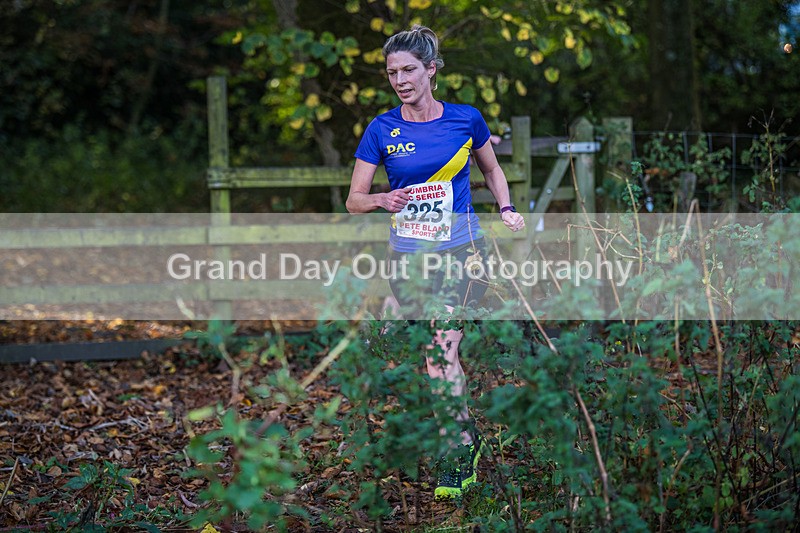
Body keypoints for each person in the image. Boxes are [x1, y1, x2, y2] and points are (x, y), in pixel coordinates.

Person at [346, 24, 525, 499]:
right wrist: (384, 201)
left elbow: (492, 168)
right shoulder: (382, 129)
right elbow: (353, 200)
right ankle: (462, 438)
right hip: (409, 259)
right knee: (432, 357)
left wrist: (505, 208)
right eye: (392, 72)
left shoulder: (465, 119)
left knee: (442, 349)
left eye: (409, 69)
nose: (400, 79)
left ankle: (457, 449)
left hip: (464, 251)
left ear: (431, 70)